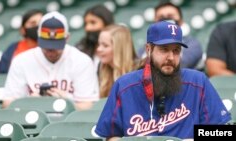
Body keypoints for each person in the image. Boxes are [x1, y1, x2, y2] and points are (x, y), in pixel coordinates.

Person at [95, 21, 231, 140]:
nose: (171, 57)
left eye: (176, 50)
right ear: (148, 49)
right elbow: (111, 135)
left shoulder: (198, 82)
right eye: (164, 49)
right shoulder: (124, 86)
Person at [1, 11, 99, 110]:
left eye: (56, 46)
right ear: (39, 37)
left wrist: (67, 103)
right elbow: (7, 103)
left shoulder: (82, 61)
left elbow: (90, 106)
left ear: (67, 38)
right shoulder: (21, 61)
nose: (51, 51)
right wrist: (29, 102)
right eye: (47, 46)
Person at [138, 2, 203, 69]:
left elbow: (181, 64)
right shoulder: (147, 45)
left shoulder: (192, 43)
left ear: (181, 21)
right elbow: (137, 66)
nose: (166, 19)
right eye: (161, 17)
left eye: (170, 16)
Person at [0, 9, 44, 74]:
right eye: (33, 24)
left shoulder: (51, 48)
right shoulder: (13, 48)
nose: (38, 26)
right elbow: (0, 74)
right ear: (23, 30)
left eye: (41, 23)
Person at [97, 25, 138, 98]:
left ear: (119, 49)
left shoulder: (139, 73)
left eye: (105, 45)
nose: (99, 49)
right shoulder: (101, 69)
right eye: (99, 44)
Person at [76, 4, 114, 72]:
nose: (87, 28)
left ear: (106, 23)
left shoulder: (118, 47)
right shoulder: (80, 49)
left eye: (93, 22)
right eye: (85, 24)